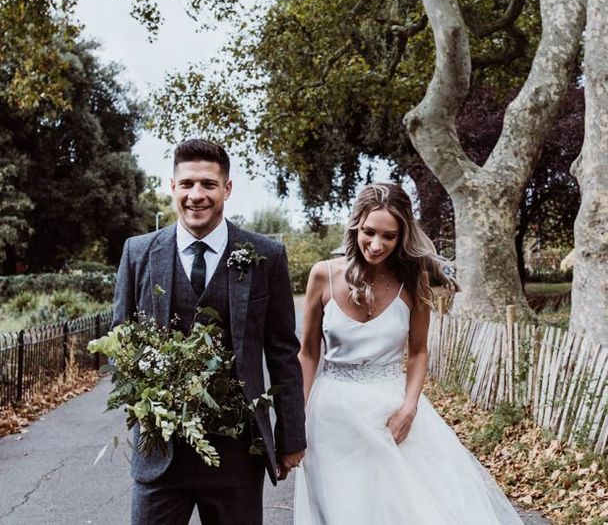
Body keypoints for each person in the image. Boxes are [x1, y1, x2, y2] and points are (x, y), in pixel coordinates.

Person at [294, 183, 524, 524]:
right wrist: (301, 416)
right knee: (340, 508)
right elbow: (309, 353)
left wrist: (410, 407)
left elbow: (418, 352)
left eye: (388, 236)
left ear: (402, 236)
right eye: (369, 232)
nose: (376, 244)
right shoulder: (323, 275)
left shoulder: (414, 281)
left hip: (391, 410)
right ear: (356, 225)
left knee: (402, 509)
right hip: (330, 415)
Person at [112, 139, 306, 525]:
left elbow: (283, 351)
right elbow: (121, 341)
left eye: (208, 184)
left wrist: (291, 437)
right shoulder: (138, 252)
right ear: (173, 187)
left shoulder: (266, 255)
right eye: (187, 184)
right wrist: (143, 398)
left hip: (237, 455)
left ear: (227, 189)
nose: (196, 195)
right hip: (160, 455)